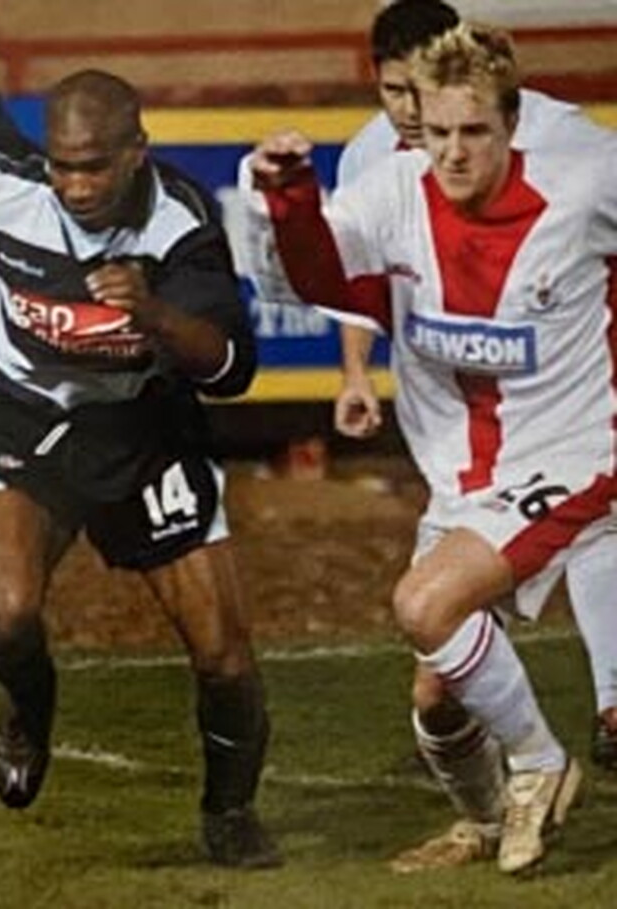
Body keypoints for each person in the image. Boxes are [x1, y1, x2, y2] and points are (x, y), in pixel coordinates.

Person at [239, 23, 617, 875]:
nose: (451, 151)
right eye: (439, 131)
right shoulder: (395, 189)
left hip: (572, 452)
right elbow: (321, 277)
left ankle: (542, 763)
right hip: (460, 477)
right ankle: (483, 824)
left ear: (510, 126)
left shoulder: (588, 186)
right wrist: (291, 196)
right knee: (437, 701)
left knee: (423, 605)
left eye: (473, 131)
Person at [0, 69, 280, 869]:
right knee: (2, 620)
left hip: (142, 432)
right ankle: (32, 709)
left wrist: (157, 313)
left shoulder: (179, 226)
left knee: (224, 656)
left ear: (137, 152)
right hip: (21, 416)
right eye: (63, 164)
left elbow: (233, 367)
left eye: (95, 165)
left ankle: (229, 810)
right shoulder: (8, 184)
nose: (76, 184)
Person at [332, 0, 617, 783]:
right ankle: (496, 796)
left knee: (596, 534)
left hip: (569, 413)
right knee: (436, 652)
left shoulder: (571, 146)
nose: (411, 115)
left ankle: (601, 715)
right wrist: (356, 368)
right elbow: (357, 273)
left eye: (422, 88)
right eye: (395, 92)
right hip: (459, 436)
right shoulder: (373, 159)